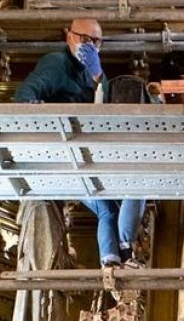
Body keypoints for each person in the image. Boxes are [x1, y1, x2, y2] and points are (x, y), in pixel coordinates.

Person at [14, 19, 145, 269]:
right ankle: (124, 250)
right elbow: (26, 94)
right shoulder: (57, 63)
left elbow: (106, 110)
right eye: (85, 39)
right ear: (69, 37)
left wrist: (97, 76)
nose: (91, 46)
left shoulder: (96, 73)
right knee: (129, 190)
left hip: (87, 156)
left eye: (96, 41)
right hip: (60, 155)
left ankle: (112, 259)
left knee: (109, 209)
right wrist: (36, 115)